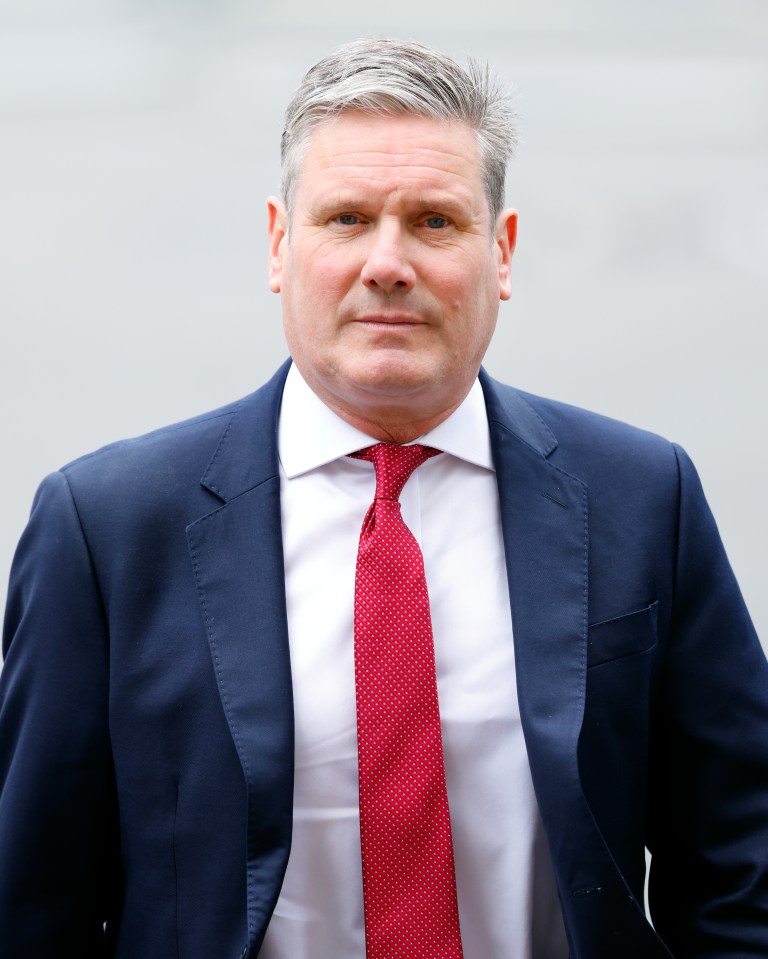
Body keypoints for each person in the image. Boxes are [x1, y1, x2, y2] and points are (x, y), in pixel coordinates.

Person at [1, 37, 767, 959]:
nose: (388, 262)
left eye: (436, 221)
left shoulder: (643, 497)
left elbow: (740, 868)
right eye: (348, 218)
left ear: (503, 252)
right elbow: (31, 904)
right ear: (282, 245)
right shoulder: (108, 528)